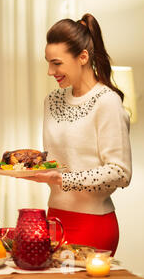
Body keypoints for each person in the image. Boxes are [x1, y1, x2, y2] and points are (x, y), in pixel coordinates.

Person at [21, 14, 132, 255]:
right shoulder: (52, 100)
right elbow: (59, 159)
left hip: (93, 224)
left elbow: (120, 173)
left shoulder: (108, 102)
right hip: (54, 219)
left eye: (57, 63)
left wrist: (63, 180)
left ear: (82, 57)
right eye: (48, 62)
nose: (50, 71)